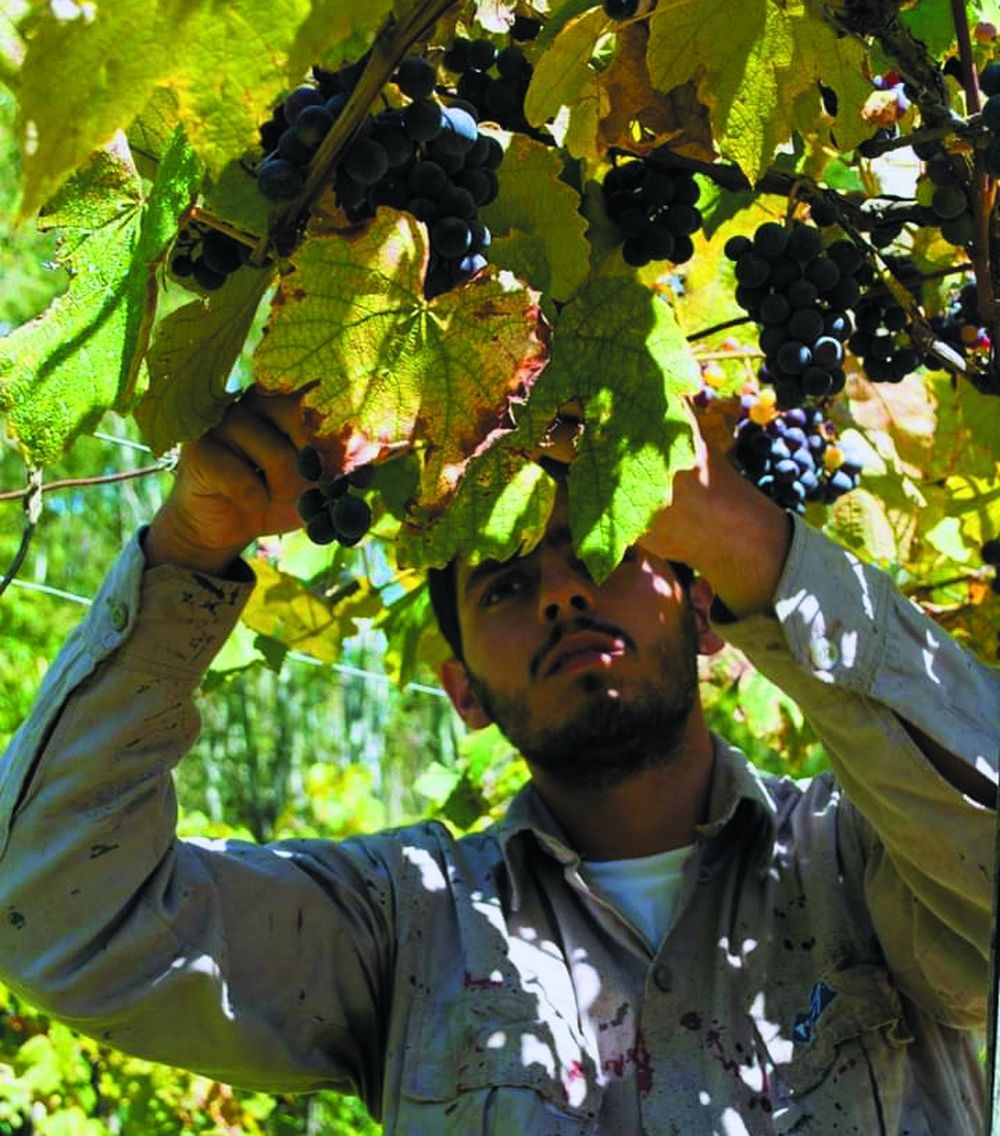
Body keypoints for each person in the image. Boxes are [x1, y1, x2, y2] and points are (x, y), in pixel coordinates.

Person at [0, 386, 996, 1136]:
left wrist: (753, 538)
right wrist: (187, 547)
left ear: (703, 609)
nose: (563, 594)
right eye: (508, 583)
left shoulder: (868, 864)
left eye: (601, 546)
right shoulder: (404, 923)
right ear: (463, 688)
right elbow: (57, 917)